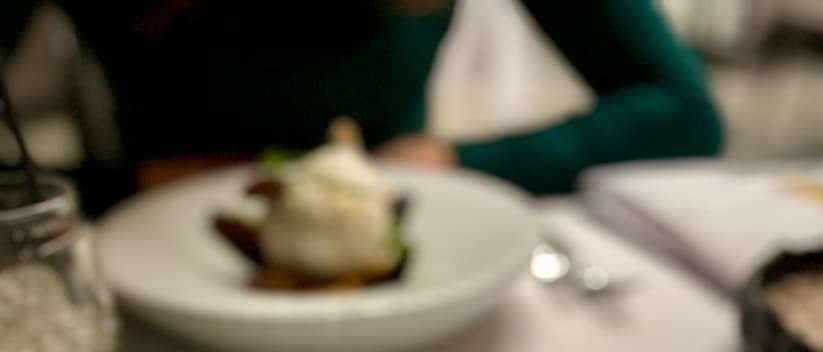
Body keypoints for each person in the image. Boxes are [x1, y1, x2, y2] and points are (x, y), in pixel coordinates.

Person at [1, 0, 722, 209]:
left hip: (398, 212)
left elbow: (683, 111)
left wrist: (458, 160)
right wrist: (115, 189)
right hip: (151, 238)